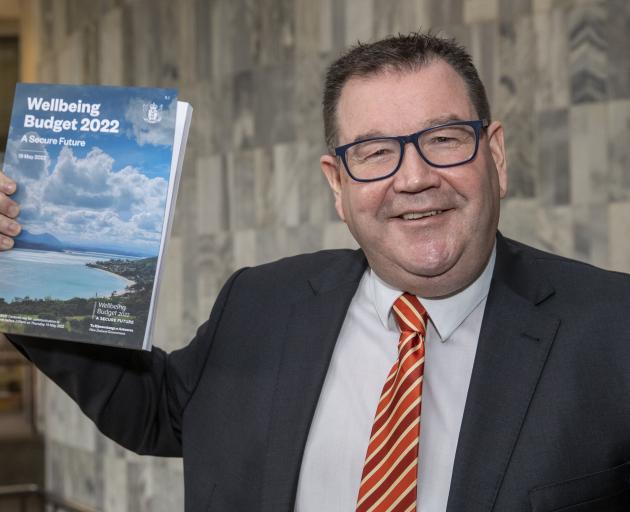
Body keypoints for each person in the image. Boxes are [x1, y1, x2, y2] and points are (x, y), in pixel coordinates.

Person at [1, 31, 630, 512]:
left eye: (443, 140)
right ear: (337, 184)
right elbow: (158, 412)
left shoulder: (612, 330)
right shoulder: (261, 302)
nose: (413, 179)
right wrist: (14, 270)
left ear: (494, 154)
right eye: (375, 152)